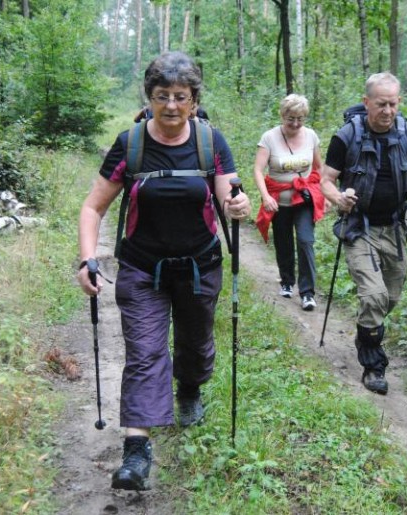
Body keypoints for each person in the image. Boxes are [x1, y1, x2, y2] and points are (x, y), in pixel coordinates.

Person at [77, 51, 250, 491]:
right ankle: (136, 452)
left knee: (194, 345)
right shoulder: (131, 144)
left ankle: (189, 388)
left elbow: (228, 192)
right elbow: (93, 206)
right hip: (141, 268)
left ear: (194, 99)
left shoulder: (211, 141)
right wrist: (87, 258)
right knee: (145, 353)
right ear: (149, 97)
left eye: (180, 96)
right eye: (162, 96)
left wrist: (238, 204)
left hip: (199, 266)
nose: (171, 105)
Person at [320, 72, 407, 395]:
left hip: (395, 228)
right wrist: (338, 198)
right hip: (359, 227)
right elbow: (326, 179)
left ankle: (366, 331)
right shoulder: (346, 136)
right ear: (366, 101)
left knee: (391, 297)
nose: (387, 110)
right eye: (381, 104)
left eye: (393, 104)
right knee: (373, 296)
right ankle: (373, 366)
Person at [253, 94, 325, 311]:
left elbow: (319, 168)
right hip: (278, 201)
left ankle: (307, 292)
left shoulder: (311, 136)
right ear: (282, 115)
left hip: (303, 199)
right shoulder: (269, 138)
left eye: (300, 119)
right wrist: (265, 197)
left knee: (305, 241)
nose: (295, 123)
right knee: (283, 242)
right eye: (290, 118)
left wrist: (323, 194)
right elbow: (258, 169)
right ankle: (286, 281)